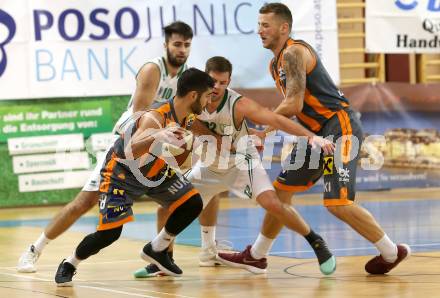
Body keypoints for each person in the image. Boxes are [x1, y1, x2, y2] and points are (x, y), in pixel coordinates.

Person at [218, 3, 410, 275]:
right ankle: (257, 256)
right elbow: (295, 108)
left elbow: (293, 105)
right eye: (259, 24)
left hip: (339, 128)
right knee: (280, 193)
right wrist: (267, 129)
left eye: (266, 25)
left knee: (337, 204)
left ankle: (392, 253)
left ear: (284, 28)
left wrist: (263, 128)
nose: (260, 30)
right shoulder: (276, 63)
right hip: (315, 136)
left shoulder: (294, 53)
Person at [17, 21, 194, 273]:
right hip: (129, 143)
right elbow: (139, 117)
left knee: (174, 199)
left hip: (159, 143)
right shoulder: (152, 70)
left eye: (187, 45)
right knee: (84, 202)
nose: (182, 50)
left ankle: (161, 257)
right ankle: (35, 249)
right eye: (177, 44)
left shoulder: (188, 77)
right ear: (166, 45)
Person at [135, 56, 337, 277]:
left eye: (223, 82)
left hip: (241, 163)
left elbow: (276, 120)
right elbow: (191, 122)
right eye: (213, 81)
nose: (217, 87)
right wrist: (213, 137)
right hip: (208, 167)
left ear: (229, 81)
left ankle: (316, 242)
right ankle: (162, 260)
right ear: (205, 78)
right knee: (166, 208)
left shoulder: (238, 103)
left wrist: (311, 137)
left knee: (273, 204)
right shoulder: (193, 99)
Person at [54, 68, 215, 286]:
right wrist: (157, 136)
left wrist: (188, 150)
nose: (208, 101)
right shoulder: (155, 117)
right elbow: (129, 151)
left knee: (192, 203)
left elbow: (178, 154)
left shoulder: (188, 117)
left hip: (153, 169)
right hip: (122, 172)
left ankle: (157, 249)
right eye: (207, 96)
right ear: (194, 95)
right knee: (109, 234)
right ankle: (70, 263)